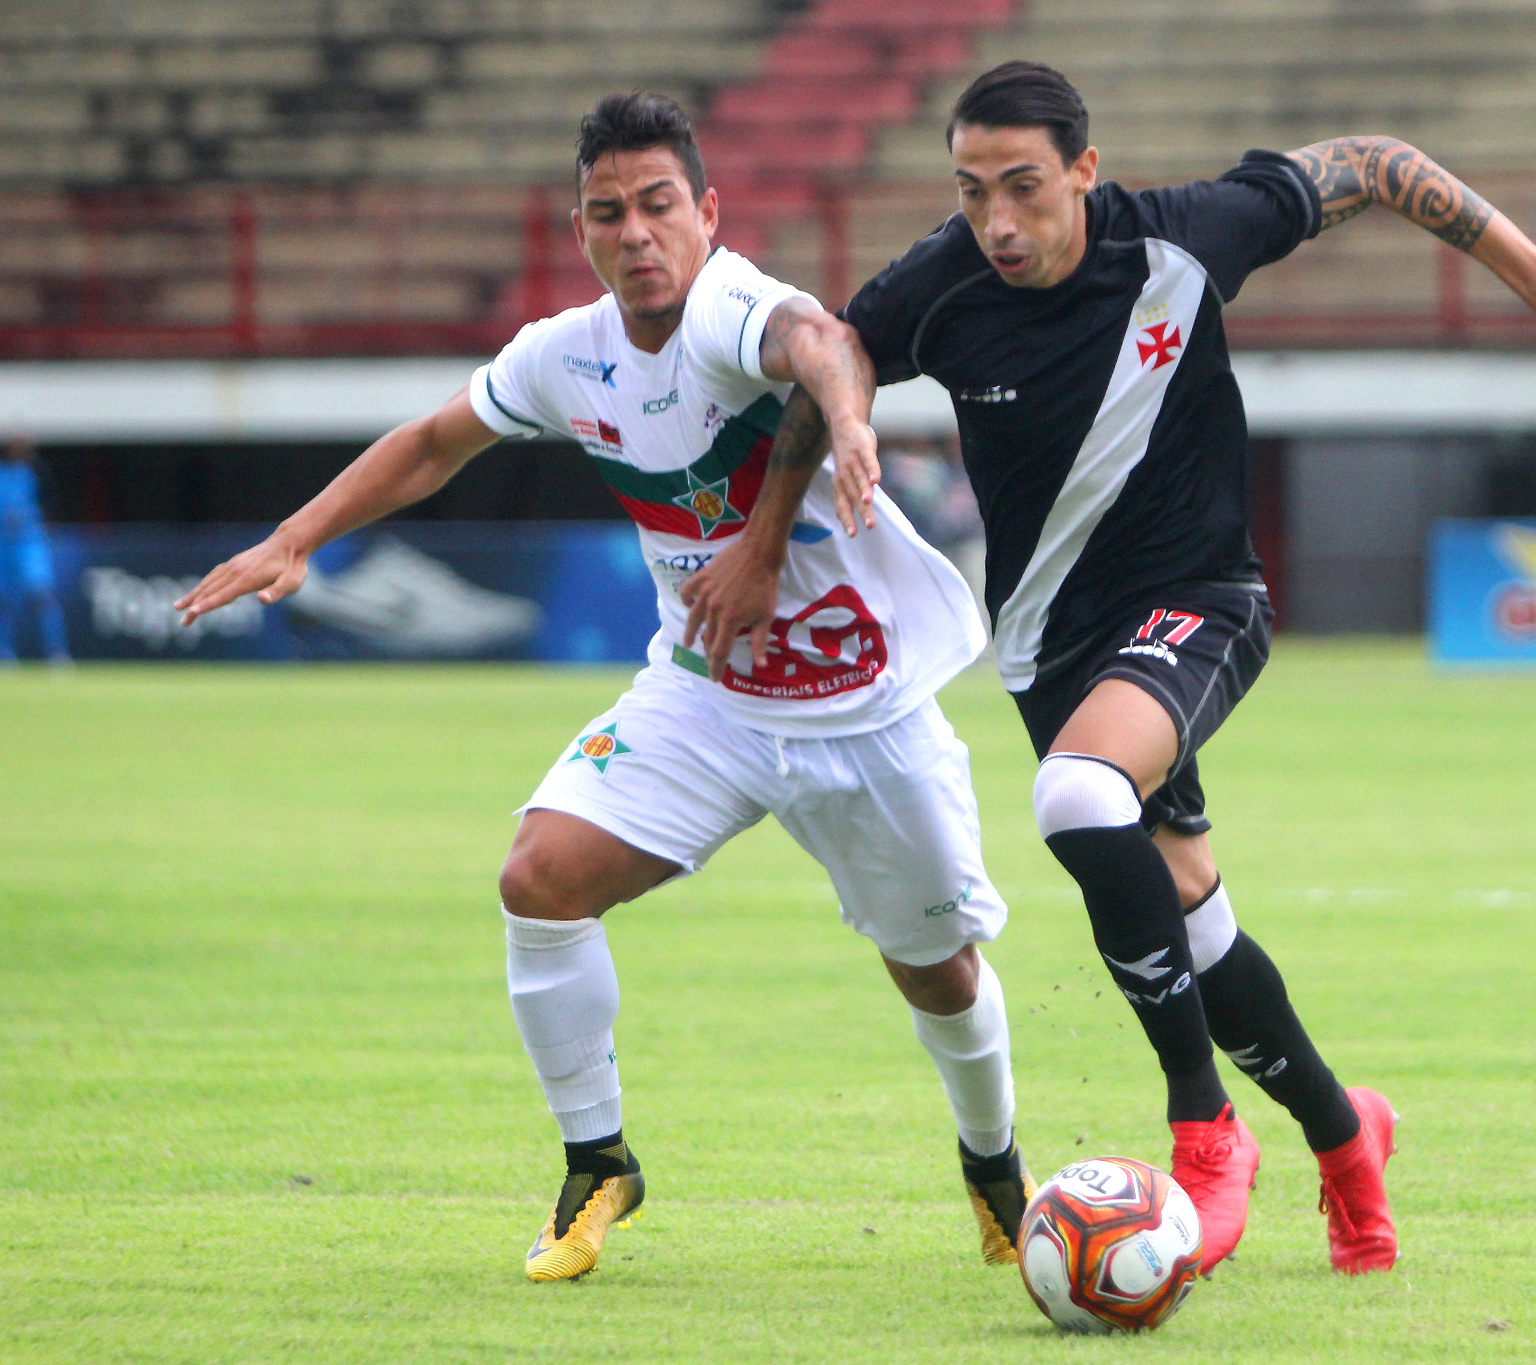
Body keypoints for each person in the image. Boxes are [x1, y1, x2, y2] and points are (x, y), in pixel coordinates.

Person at [683, 61, 1536, 1277]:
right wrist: (768, 532)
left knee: (1075, 798)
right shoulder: (938, 287)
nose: (996, 220)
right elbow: (830, 356)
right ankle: (1344, 1135)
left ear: (1084, 172)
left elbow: (1374, 162)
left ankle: (1204, 1130)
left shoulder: (1185, 238)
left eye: (1023, 186)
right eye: (971, 190)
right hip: (1051, 648)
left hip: (1201, 601)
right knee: (1193, 921)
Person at [173, 92, 1035, 1283]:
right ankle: (598, 1163)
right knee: (538, 878)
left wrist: (843, 428)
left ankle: (993, 1167)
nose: (636, 233)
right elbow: (433, 442)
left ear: (708, 213)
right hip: (706, 696)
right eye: (608, 212)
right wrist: (295, 538)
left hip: (863, 709)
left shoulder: (728, 308)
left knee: (934, 969)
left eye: (658, 205)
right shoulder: (562, 355)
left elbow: (823, 341)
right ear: (578, 231)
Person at [0, 433, 71, 665]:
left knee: (41, 594)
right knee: (4, 600)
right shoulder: (3, 474)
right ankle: (4, 653)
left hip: (28, 542)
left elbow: (51, 502)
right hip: (3, 544)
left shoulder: (37, 471)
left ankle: (57, 652)